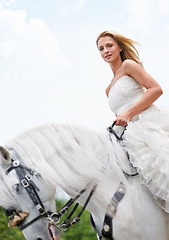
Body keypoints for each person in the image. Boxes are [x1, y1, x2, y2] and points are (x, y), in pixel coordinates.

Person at [96, 30, 169, 212]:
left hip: (150, 123)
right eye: (101, 48)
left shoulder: (128, 66)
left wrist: (129, 113)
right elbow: (121, 113)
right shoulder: (108, 89)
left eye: (109, 45)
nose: (105, 50)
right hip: (132, 136)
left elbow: (156, 89)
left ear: (120, 47)